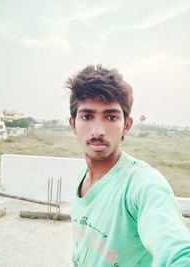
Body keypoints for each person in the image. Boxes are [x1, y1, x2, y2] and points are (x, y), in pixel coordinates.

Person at [67, 64, 190, 267]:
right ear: (73, 124)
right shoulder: (82, 177)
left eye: (111, 117)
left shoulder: (142, 184)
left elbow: (177, 251)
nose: (97, 131)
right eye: (87, 116)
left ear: (126, 125)